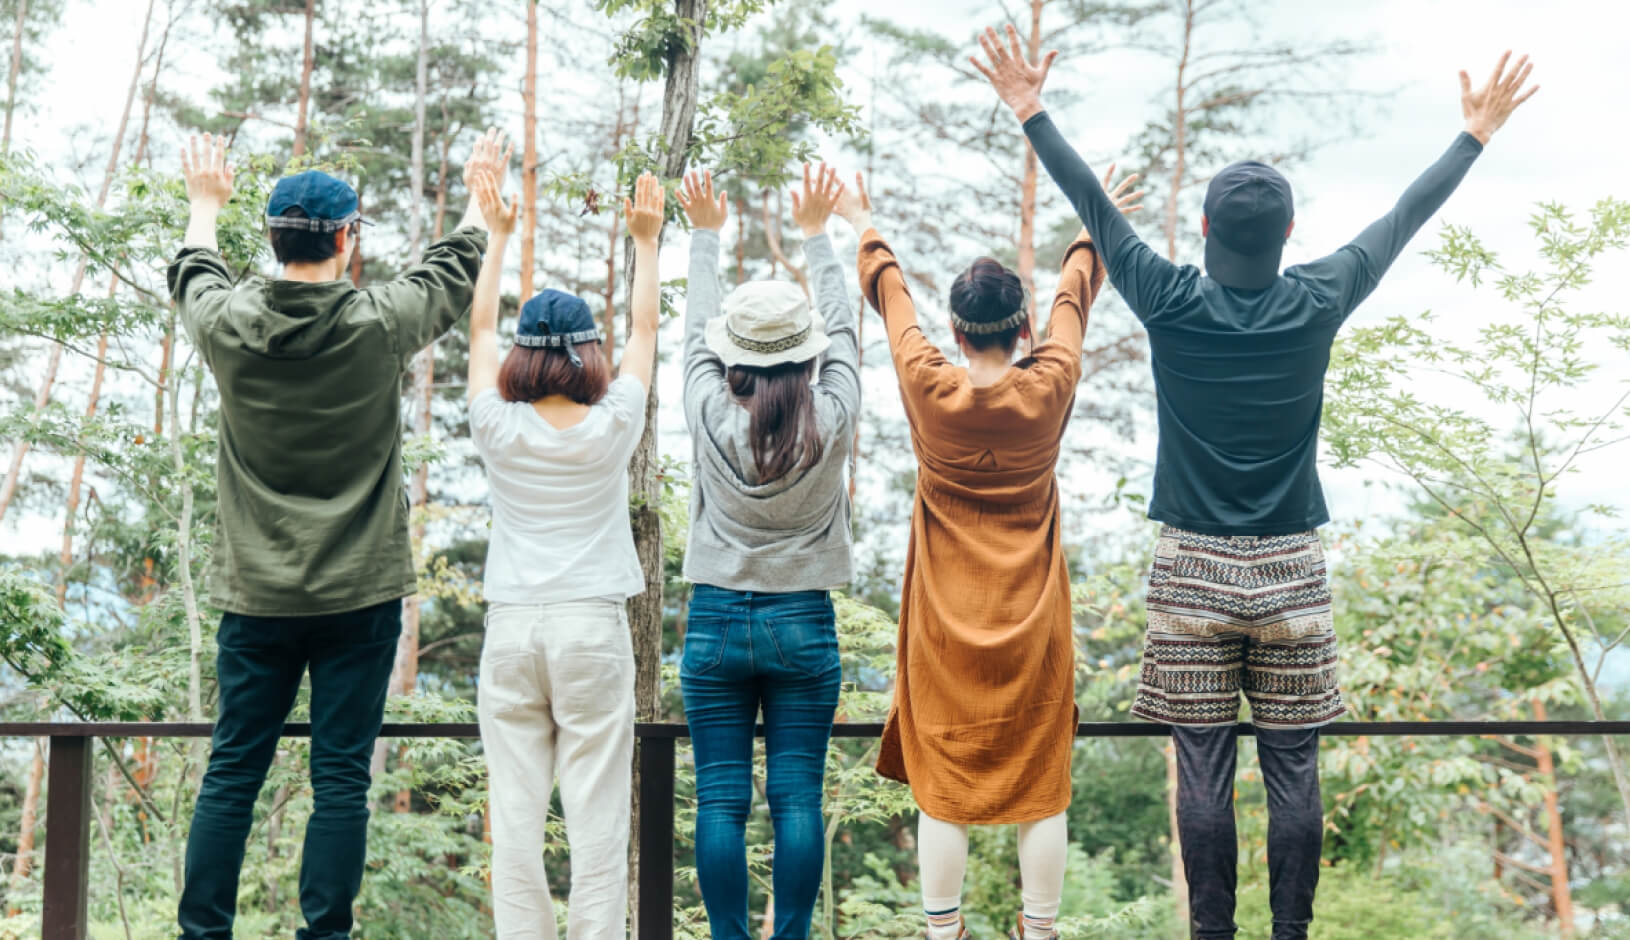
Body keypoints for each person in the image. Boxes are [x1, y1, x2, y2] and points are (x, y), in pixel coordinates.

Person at [972, 25, 1539, 940]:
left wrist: (1030, 106)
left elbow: (1092, 204)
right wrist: (1472, 133)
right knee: (1293, 770)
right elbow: (1404, 217)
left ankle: (1212, 936)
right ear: (1287, 234)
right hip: (1290, 568)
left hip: (1192, 564)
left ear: (1203, 230)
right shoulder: (1320, 295)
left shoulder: (1167, 296)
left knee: (1201, 769)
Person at [171, 129, 502, 939]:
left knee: (232, 773)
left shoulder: (229, 325)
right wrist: (478, 195)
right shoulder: (375, 323)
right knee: (342, 779)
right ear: (347, 239)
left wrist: (203, 202)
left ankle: (202, 931)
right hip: (360, 595)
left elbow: (194, 270)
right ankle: (326, 934)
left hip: (257, 595)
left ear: (273, 237)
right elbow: (452, 269)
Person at [853, 157, 1141, 938]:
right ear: (1021, 331)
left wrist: (863, 227)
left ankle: (943, 933)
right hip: (1034, 617)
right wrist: (1094, 227)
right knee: (1041, 781)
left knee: (939, 780)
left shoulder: (928, 384)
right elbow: (1074, 296)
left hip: (943, 626)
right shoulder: (1049, 383)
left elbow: (893, 302)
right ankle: (1037, 931)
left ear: (955, 330)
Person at [464, 148, 665, 940]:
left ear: (524, 356)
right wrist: (645, 241)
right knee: (597, 814)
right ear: (587, 354)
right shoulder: (614, 424)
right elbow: (646, 327)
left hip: (512, 626)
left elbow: (479, 325)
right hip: (590, 627)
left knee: (513, 815)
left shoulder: (496, 425)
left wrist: (497, 234)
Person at [674, 163, 861, 940]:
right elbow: (847, 329)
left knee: (720, 796)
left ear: (735, 359)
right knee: (797, 796)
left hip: (716, 618)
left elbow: (693, 336)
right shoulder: (836, 413)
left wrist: (706, 237)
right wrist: (818, 236)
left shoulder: (710, 408)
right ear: (807, 356)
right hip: (803, 623)